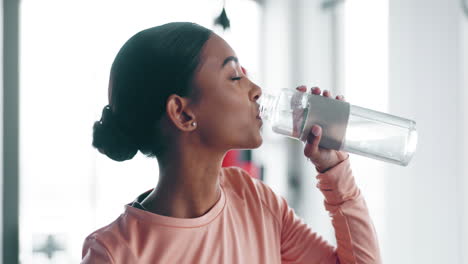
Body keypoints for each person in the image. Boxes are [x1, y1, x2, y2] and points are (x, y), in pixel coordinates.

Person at [82, 22, 381, 263]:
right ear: (183, 113)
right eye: (235, 76)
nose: (256, 90)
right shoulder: (114, 253)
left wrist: (334, 172)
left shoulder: (255, 200)